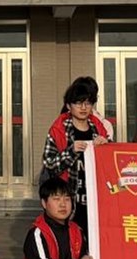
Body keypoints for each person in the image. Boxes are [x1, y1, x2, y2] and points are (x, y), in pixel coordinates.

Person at [40, 76, 113, 236]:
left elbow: (112, 165)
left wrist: (106, 146)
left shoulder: (99, 129)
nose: (83, 107)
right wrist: (70, 152)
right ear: (68, 106)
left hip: (95, 200)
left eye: (88, 103)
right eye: (78, 103)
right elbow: (49, 164)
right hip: (70, 199)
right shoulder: (58, 129)